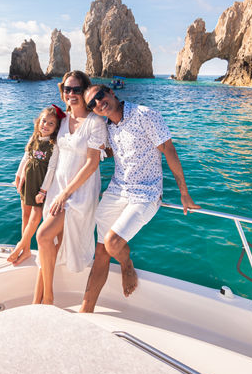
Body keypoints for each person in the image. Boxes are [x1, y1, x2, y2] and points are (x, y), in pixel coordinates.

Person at [80, 85, 200, 313]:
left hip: (146, 193)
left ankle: (127, 265)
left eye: (100, 96)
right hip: (117, 190)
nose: (98, 103)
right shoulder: (107, 126)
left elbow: (169, 150)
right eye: (91, 103)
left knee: (113, 243)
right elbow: (112, 149)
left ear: (111, 93)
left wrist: (184, 192)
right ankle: (85, 311)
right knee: (101, 253)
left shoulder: (145, 115)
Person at [33, 71, 108, 305]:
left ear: (85, 91)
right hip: (58, 191)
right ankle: (39, 300)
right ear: (62, 91)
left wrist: (66, 194)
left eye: (77, 90)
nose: (71, 94)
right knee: (51, 243)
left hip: (79, 194)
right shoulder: (63, 120)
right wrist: (27, 173)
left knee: (43, 236)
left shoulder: (95, 123)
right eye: (67, 89)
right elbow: (42, 143)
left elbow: (92, 162)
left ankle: (48, 298)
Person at [9, 105, 65, 265]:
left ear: (56, 128)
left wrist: (43, 191)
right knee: (25, 215)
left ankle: (20, 245)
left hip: (40, 184)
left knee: (35, 216)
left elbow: (52, 169)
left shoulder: (53, 145)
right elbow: (25, 157)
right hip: (28, 181)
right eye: (43, 121)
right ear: (38, 122)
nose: (45, 125)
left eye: (50, 124)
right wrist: (18, 177)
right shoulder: (34, 137)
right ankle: (26, 250)